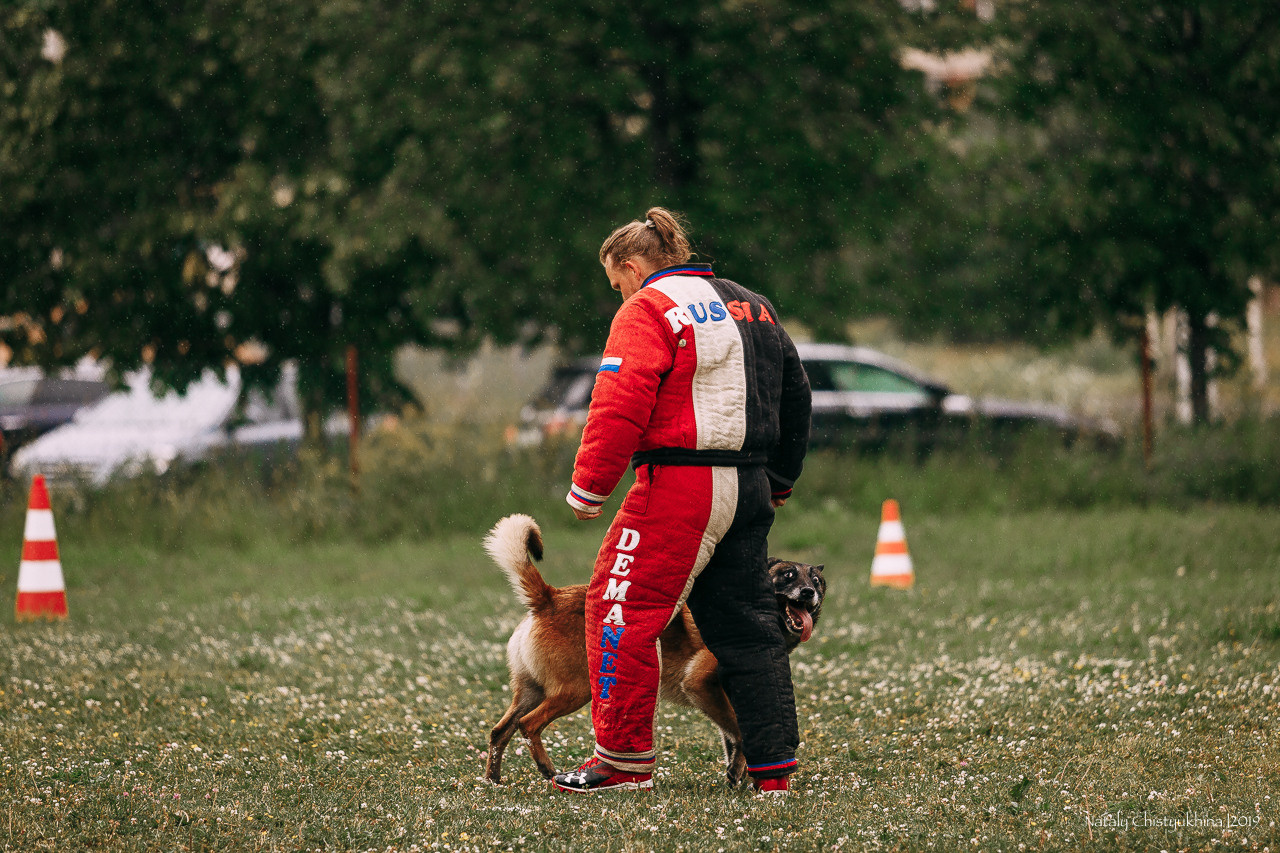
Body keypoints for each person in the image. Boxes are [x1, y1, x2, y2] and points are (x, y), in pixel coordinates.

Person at [551, 207, 811, 795]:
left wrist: (589, 484)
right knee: (748, 628)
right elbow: (795, 392)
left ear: (632, 265)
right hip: (748, 488)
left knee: (617, 610)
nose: (620, 296)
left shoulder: (649, 307)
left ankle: (621, 763)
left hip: (681, 484)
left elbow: (621, 398)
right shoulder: (754, 304)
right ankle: (774, 771)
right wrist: (781, 478)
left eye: (618, 284)